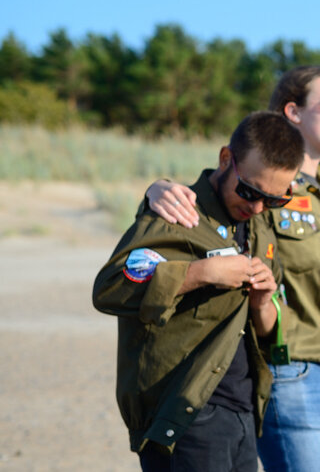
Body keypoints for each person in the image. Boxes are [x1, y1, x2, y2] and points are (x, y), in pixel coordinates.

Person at [144, 66, 320, 472]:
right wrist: (157, 188)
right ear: (292, 112)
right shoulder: (252, 179)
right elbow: (209, 203)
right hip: (283, 367)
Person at [92, 111, 304, 471]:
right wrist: (199, 273)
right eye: (250, 191)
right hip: (186, 414)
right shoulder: (177, 211)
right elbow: (110, 288)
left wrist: (262, 304)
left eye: (273, 200)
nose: (255, 207)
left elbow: (269, 334)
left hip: (244, 411)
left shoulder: (260, 228)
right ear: (226, 159)